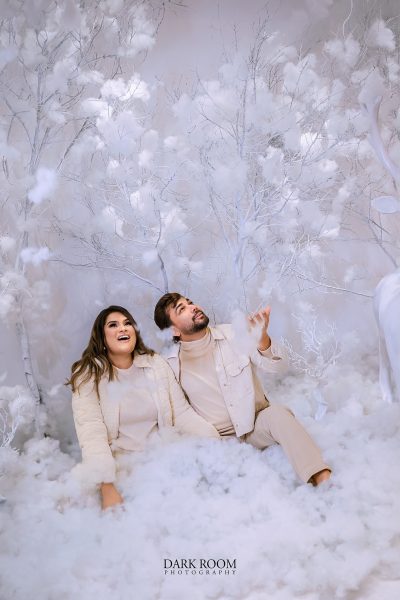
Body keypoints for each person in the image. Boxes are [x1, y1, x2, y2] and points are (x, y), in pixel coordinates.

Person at [154, 293, 331, 486]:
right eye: (182, 309)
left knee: (278, 414)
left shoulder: (233, 333)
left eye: (190, 302)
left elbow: (279, 367)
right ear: (173, 331)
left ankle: (324, 481)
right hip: (217, 443)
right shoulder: (170, 366)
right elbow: (178, 415)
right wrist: (210, 441)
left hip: (255, 426)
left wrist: (263, 340)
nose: (193, 307)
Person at [68, 305, 219, 510]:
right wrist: (107, 485)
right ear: (102, 338)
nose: (123, 328)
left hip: (163, 458)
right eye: (113, 325)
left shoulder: (155, 365)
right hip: (123, 468)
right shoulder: (88, 375)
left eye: (127, 323)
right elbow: (91, 433)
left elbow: (181, 413)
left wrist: (215, 444)